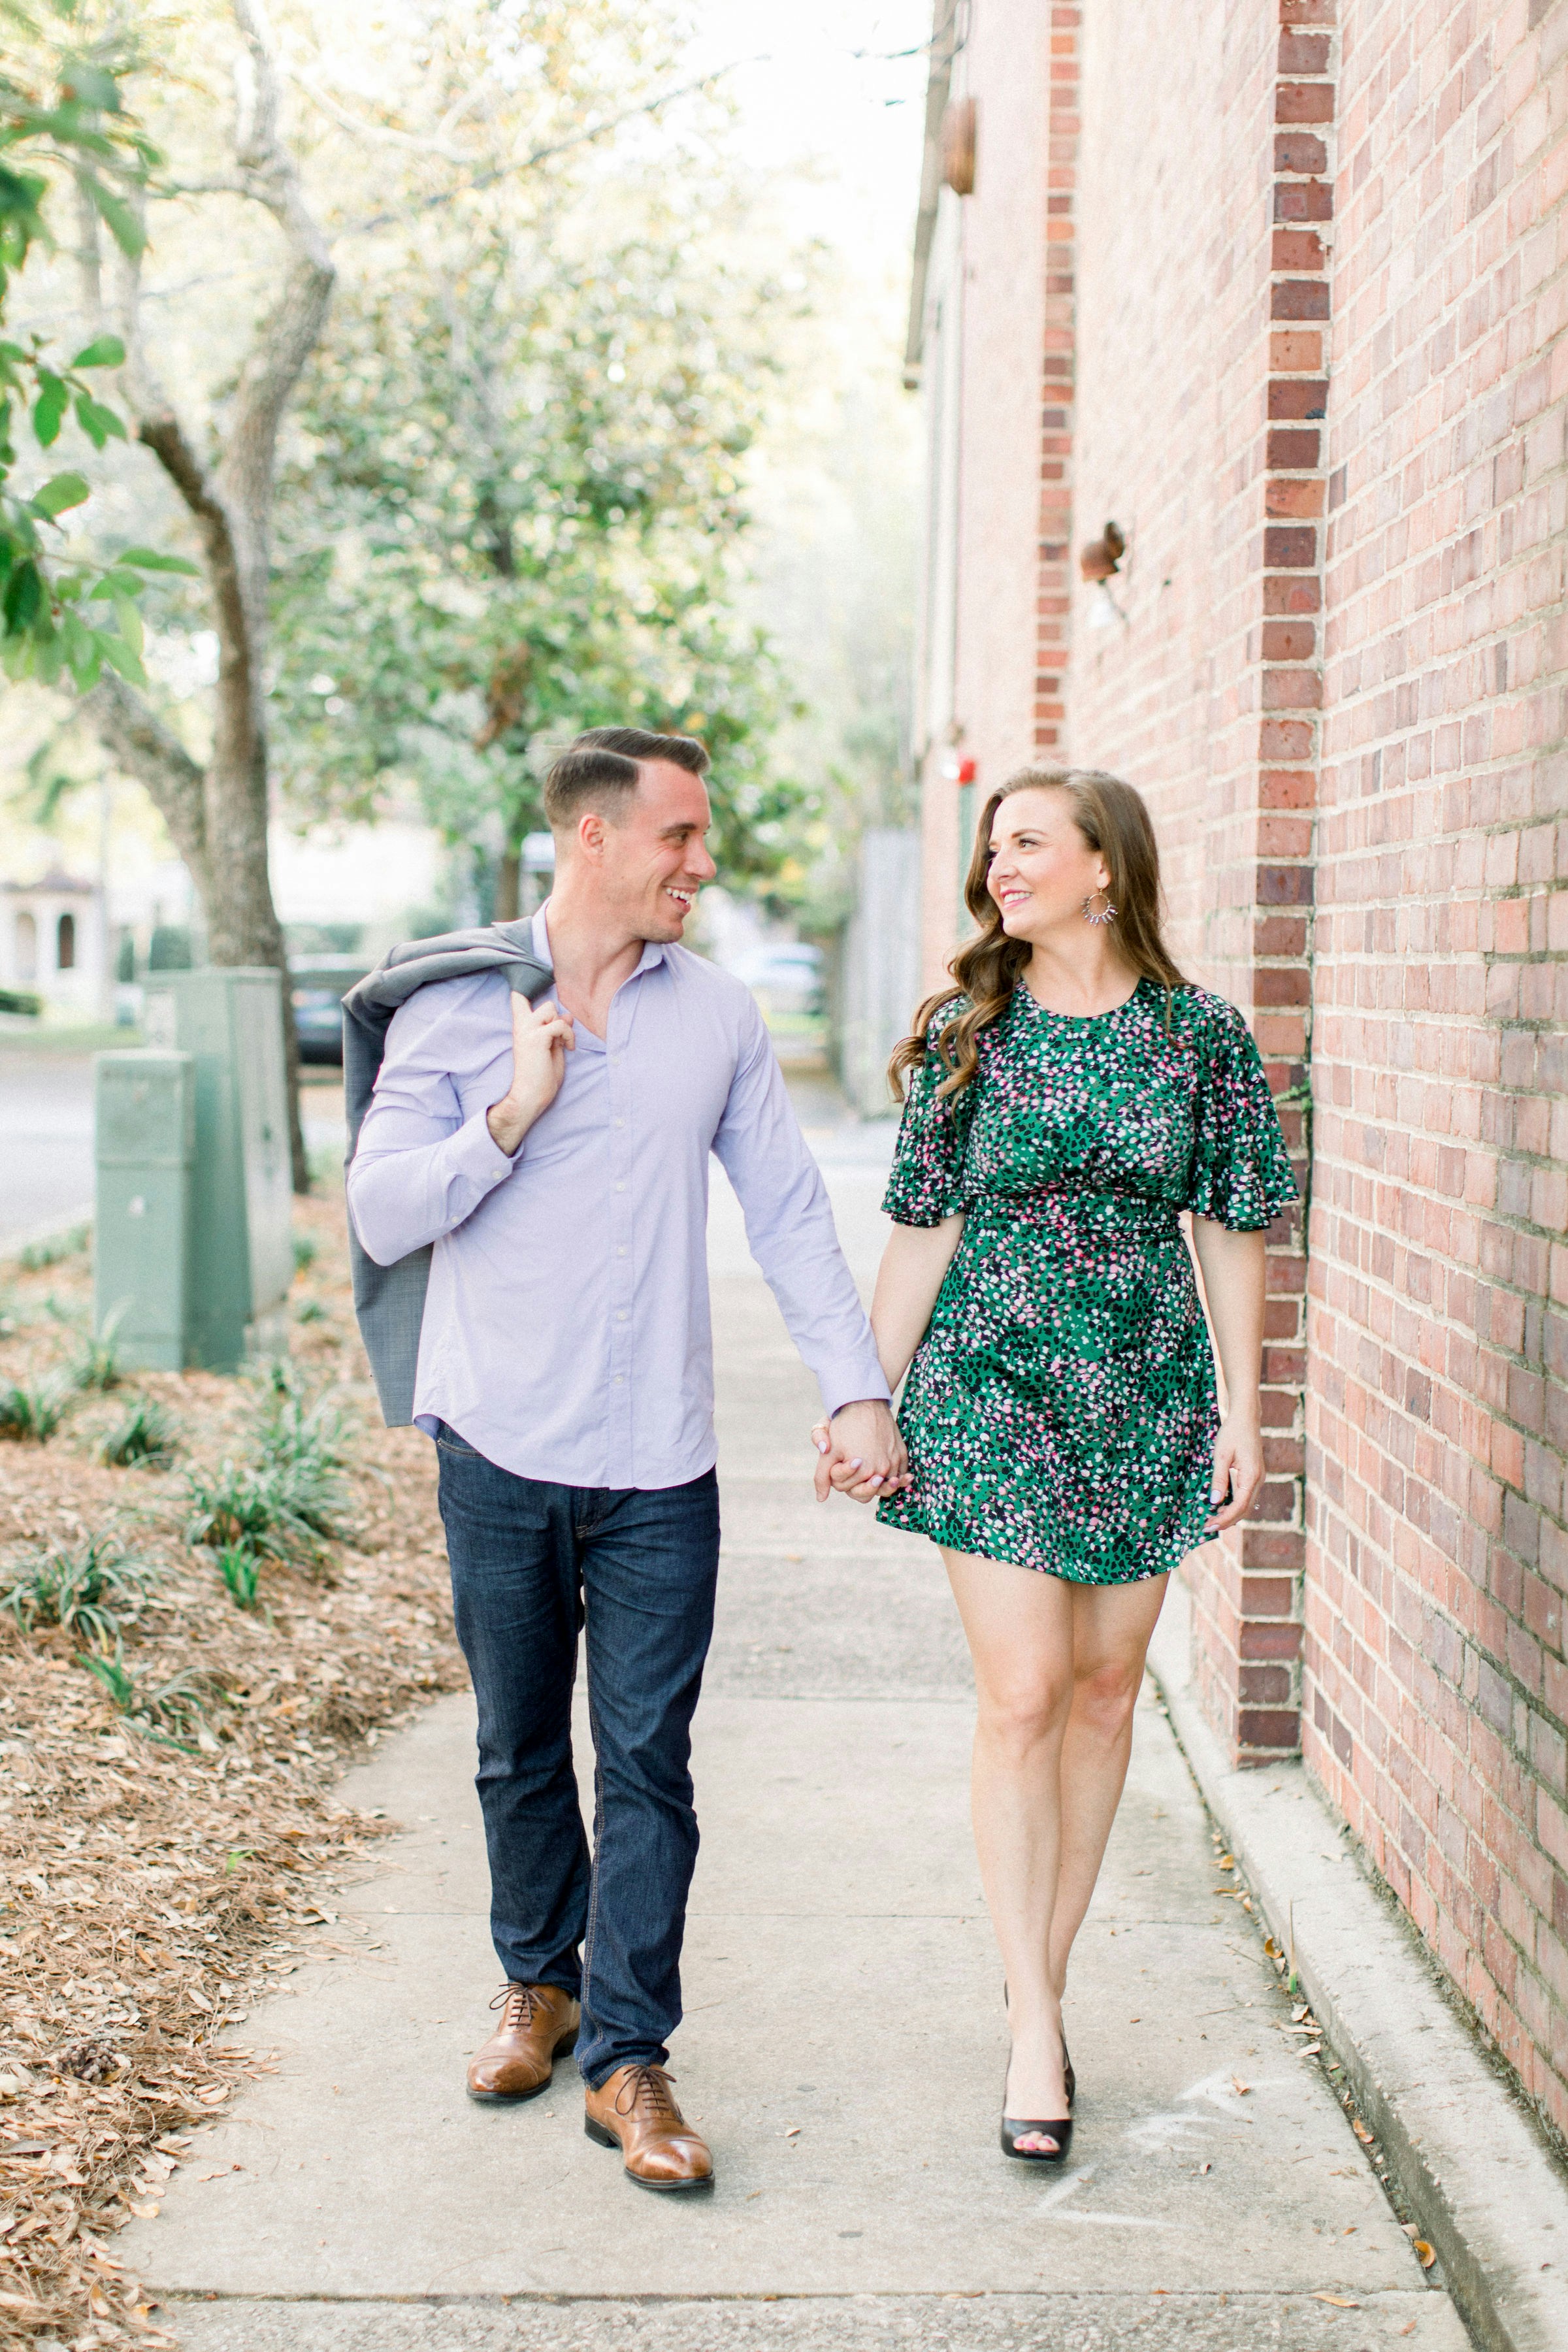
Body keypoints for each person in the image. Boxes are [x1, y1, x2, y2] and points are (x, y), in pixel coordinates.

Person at [347, 727, 906, 2193]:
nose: (703, 864)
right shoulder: (458, 1009)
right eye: (681, 837)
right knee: (518, 1746)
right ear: (593, 838)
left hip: (661, 1456)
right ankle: (538, 1982)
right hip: (499, 1440)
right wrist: (508, 1116)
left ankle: (633, 2059)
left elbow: (786, 1207)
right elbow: (381, 1210)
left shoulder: (713, 1015)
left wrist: (856, 1391)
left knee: (647, 1762)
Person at [813, 766, 1296, 2163]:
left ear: (1105, 866)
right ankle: (1034, 2022)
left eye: (1026, 841)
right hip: (993, 1390)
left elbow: (1232, 1230)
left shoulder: (1200, 1039)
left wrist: (1242, 1409)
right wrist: (866, 1399)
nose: (999, 866)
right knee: (1022, 1692)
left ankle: (1045, 1977)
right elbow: (924, 1227)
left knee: (1100, 1695)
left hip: (1144, 1392)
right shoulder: (978, 1031)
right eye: (992, 844)